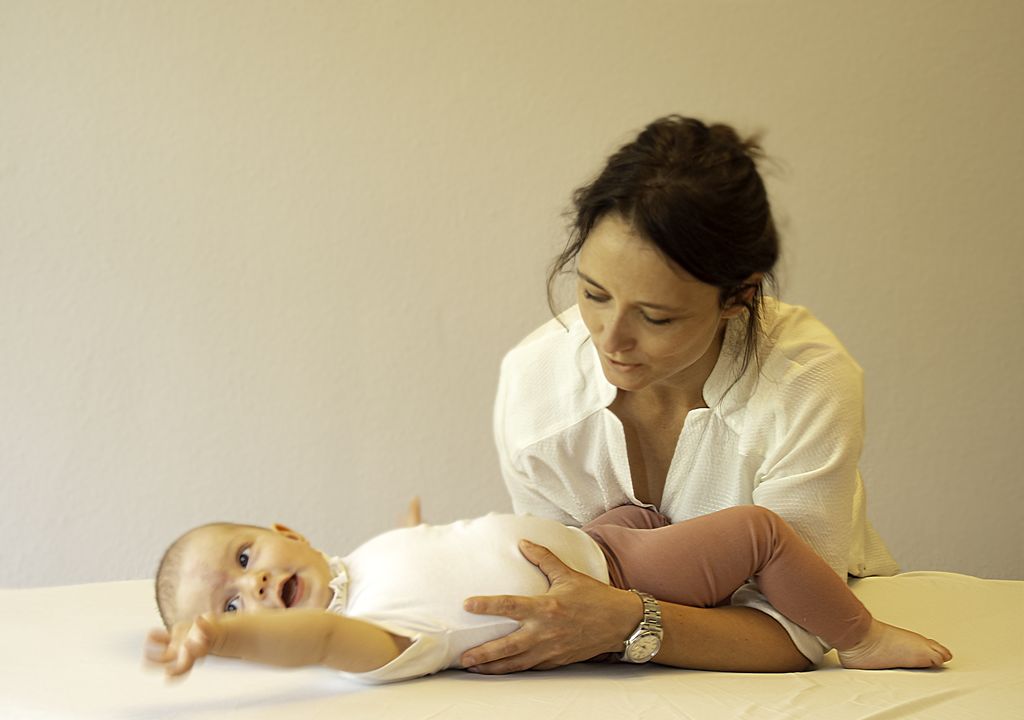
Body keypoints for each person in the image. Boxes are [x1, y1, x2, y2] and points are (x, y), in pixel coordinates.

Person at [459, 115, 903, 675]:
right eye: (594, 294)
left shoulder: (805, 382)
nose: (611, 338)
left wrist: (626, 622)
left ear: (738, 297)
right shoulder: (535, 387)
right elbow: (565, 595)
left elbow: (803, 634)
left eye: (656, 317)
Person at [144, 503, 950, 684]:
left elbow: (440, 556)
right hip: (622, 573)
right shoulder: (364, 636)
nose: (252, 583)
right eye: (234, 603)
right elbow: (314, 644)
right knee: (759, 534)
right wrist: (228, 643)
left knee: (648, 512)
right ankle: (861, 634)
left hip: (602, 534)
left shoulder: (360, 561)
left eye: (245, 555)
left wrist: (418, 531)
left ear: (284, 528)